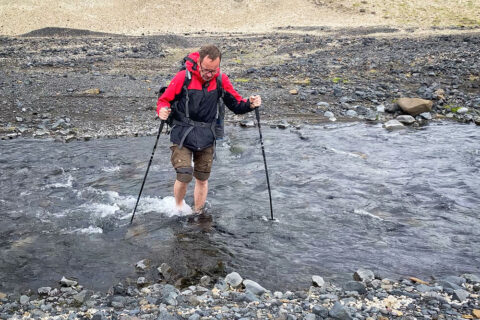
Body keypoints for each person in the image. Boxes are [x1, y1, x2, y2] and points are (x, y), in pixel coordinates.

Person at [157, 44, 262, 213]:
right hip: (182, 133)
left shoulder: (221, 80)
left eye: (213, 71)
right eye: (205, 70)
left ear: (218, 66)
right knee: (184, 175)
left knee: (202, 178)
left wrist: (250, 104)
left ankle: (198, 213)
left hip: (207, 135)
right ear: (198, 63)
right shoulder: (183, 77)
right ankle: (178, 209)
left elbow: (236, 105)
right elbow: (164, 100)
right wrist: (161, 111)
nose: (208, 75)